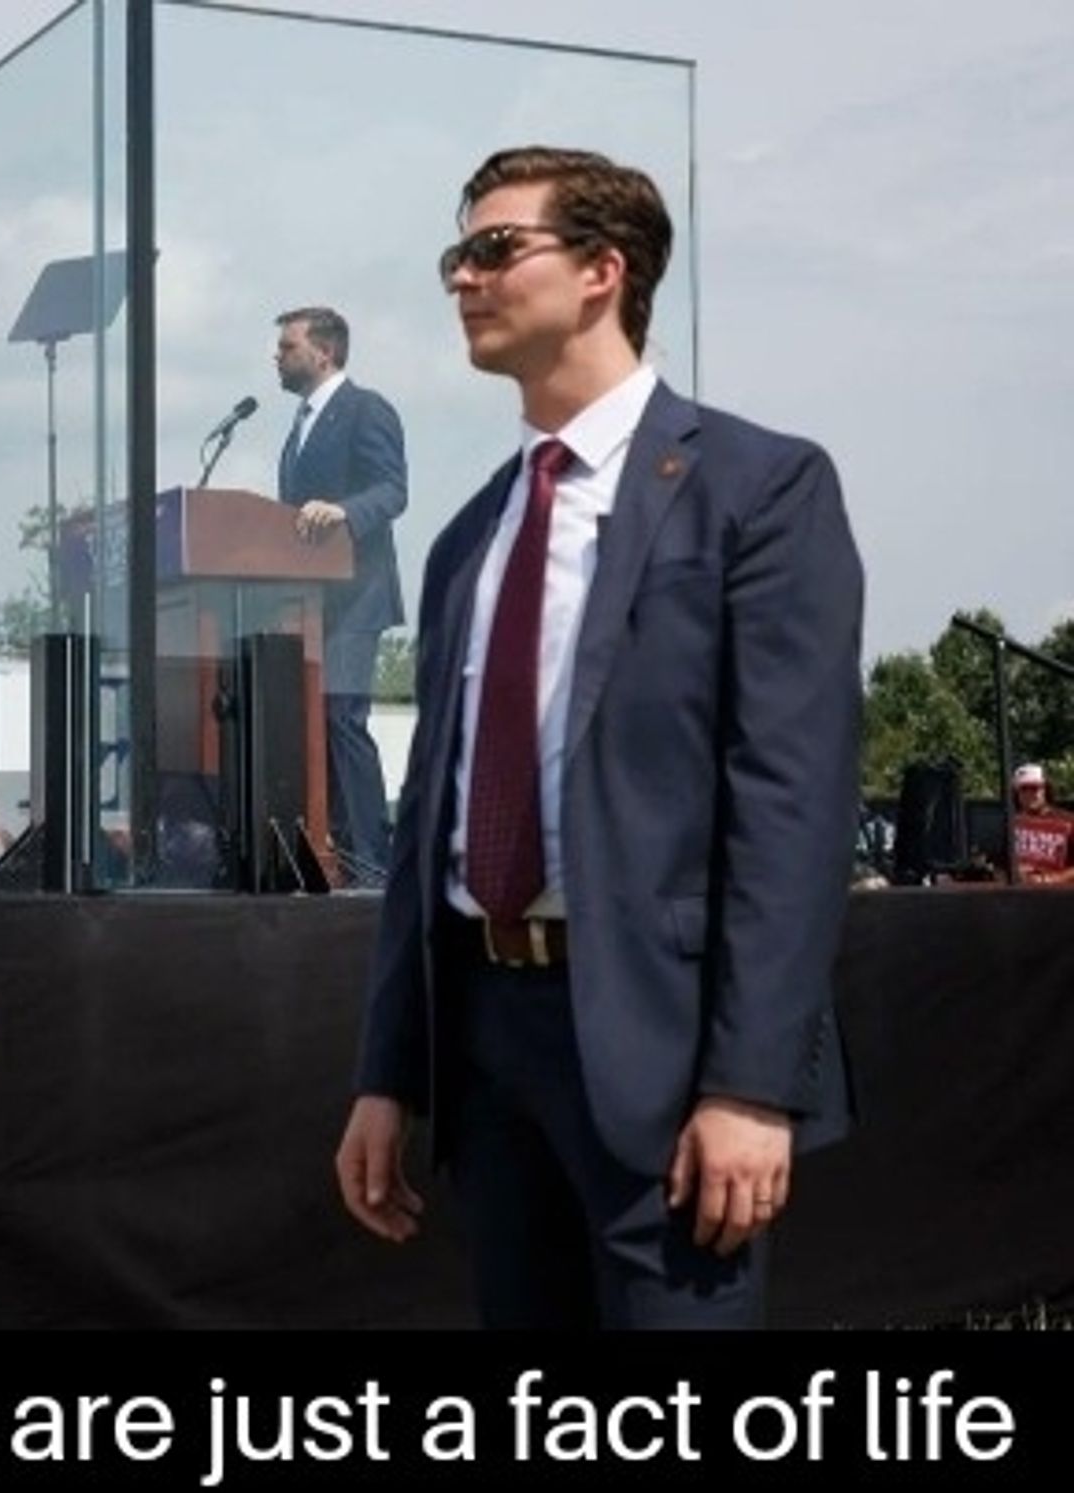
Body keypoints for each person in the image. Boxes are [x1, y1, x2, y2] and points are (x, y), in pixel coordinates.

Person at [335, 146, 863, 1329]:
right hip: (486, 1047)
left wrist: (748, 1082)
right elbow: (429, 817)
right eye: (453, 256)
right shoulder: (469, 533)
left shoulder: (758, 489)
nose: (460, 279)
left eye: (491, 249)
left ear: (599, 271)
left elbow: (792, 803)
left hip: (666, 1056)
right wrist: (387, 1072)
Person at [272, 306, 408, 881]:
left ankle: (374, 864)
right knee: (311, 723)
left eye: (287, 347)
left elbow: (393, 490)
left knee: (342, 715)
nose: (276, 356)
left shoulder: (365, 409)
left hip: (355, 594)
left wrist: (344, 513)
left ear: (323, 352)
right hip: (307, 603)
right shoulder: (296, 428)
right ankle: (334, 855)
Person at [1010, 763, 1074, 886]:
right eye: (1024, 789)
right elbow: (999, 866)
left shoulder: (1068, 821)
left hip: (1059, 897)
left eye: (1034, 788)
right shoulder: (1011, 823)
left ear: (1046, 789)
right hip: (1020, 896)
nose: (1029, 794)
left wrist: (1053, 879)